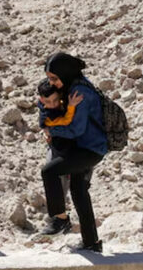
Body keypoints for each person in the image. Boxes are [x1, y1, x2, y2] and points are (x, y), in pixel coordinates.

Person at [39, 53, 108, 253]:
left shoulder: (80, 93)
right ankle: (91, 242)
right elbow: (45, 101)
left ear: (64, 73)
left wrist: (52, 130)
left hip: (90, 149)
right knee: (78, 192)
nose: (51, 83)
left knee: (49, 172)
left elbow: (76, 130)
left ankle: (60, 219)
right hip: (82, 147)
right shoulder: (70, 84)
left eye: (54, 78)